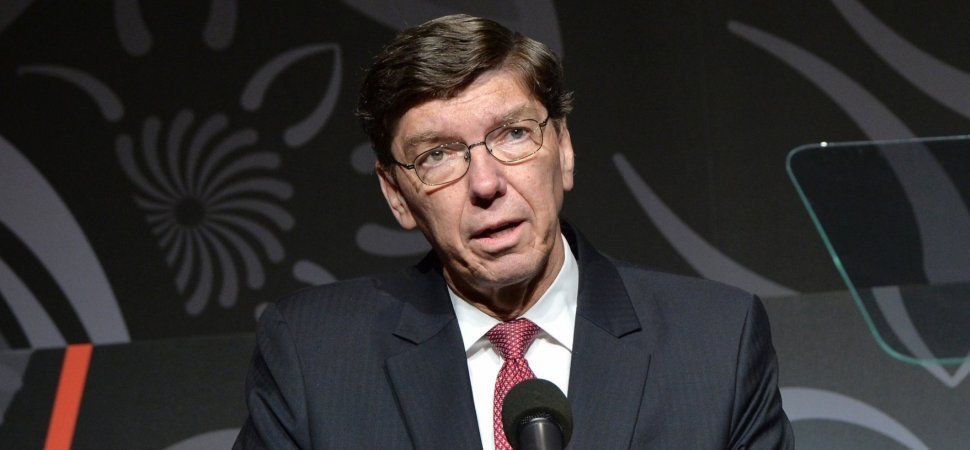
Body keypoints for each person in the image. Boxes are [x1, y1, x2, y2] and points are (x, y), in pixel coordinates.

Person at [234, 14, 793, 449]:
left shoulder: (715, 341)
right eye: (436, 155)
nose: (485, 183)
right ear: (396, 194)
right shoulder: (315, 356)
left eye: (513, 134)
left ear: (564, 149)